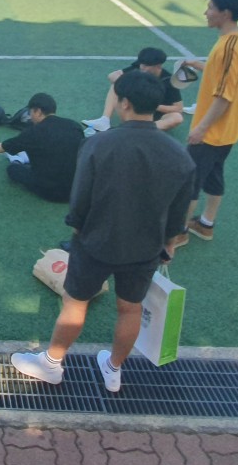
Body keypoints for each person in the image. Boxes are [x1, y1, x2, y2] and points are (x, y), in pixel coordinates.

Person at [10, 72, 194, 393]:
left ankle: (52, 364)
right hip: (146, 246)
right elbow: (179, 212)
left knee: (75, 302)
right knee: (130, 307)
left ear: (124, 103)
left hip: (96, 240)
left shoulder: (97, 144)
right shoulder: (178, 155)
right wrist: (168, 244)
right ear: (157, 107)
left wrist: (79, 228)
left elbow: (80, 197)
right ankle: (113, 370)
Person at [175, 0, 238, 246]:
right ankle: (206, 224)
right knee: (214, 174)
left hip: (213, 131)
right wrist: (200, 66)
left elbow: (224, 96)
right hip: (227, 130)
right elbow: (225, 76)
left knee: (190, 179)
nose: (205, 12)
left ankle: (179, 231)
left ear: (225, 13)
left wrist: (201, 128)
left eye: (210, 7)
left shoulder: (229, 46)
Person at [0, 93, 85, 202]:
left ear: (38, 111)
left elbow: (8, 145)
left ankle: (17, 160)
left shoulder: (34, 132)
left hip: (53, 191)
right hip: (76, 188)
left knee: (13, 169)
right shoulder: (74, 125)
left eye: (30, 112)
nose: (30, 116)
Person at [82, 47, 184, 133]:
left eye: (146, 66)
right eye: (141, 64)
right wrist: (133, 91)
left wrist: (151, 103)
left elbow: (178, 108)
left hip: (154, 115)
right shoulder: (138, 68)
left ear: (158, 66)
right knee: (116, 85)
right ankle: (104, 120)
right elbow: (112, 75)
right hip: (134, 109)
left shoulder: (168, 80)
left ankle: (134, 130)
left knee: (177, 118)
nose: (142, 68)